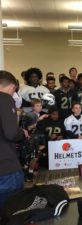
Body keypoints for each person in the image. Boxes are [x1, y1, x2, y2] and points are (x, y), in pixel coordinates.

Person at [0, 70, 27, 210]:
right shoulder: (5, 98)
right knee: (13, 211)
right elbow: (11, 133)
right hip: (6, 168)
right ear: (12, 87)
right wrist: (22, 133)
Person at [19, 112, 46, 181]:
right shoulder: (20, 131)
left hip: (32, 153)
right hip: (21, 152)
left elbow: (43, 145)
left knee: (34, 156)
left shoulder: (39, 133)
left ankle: (30, 172)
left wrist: (36, 149)